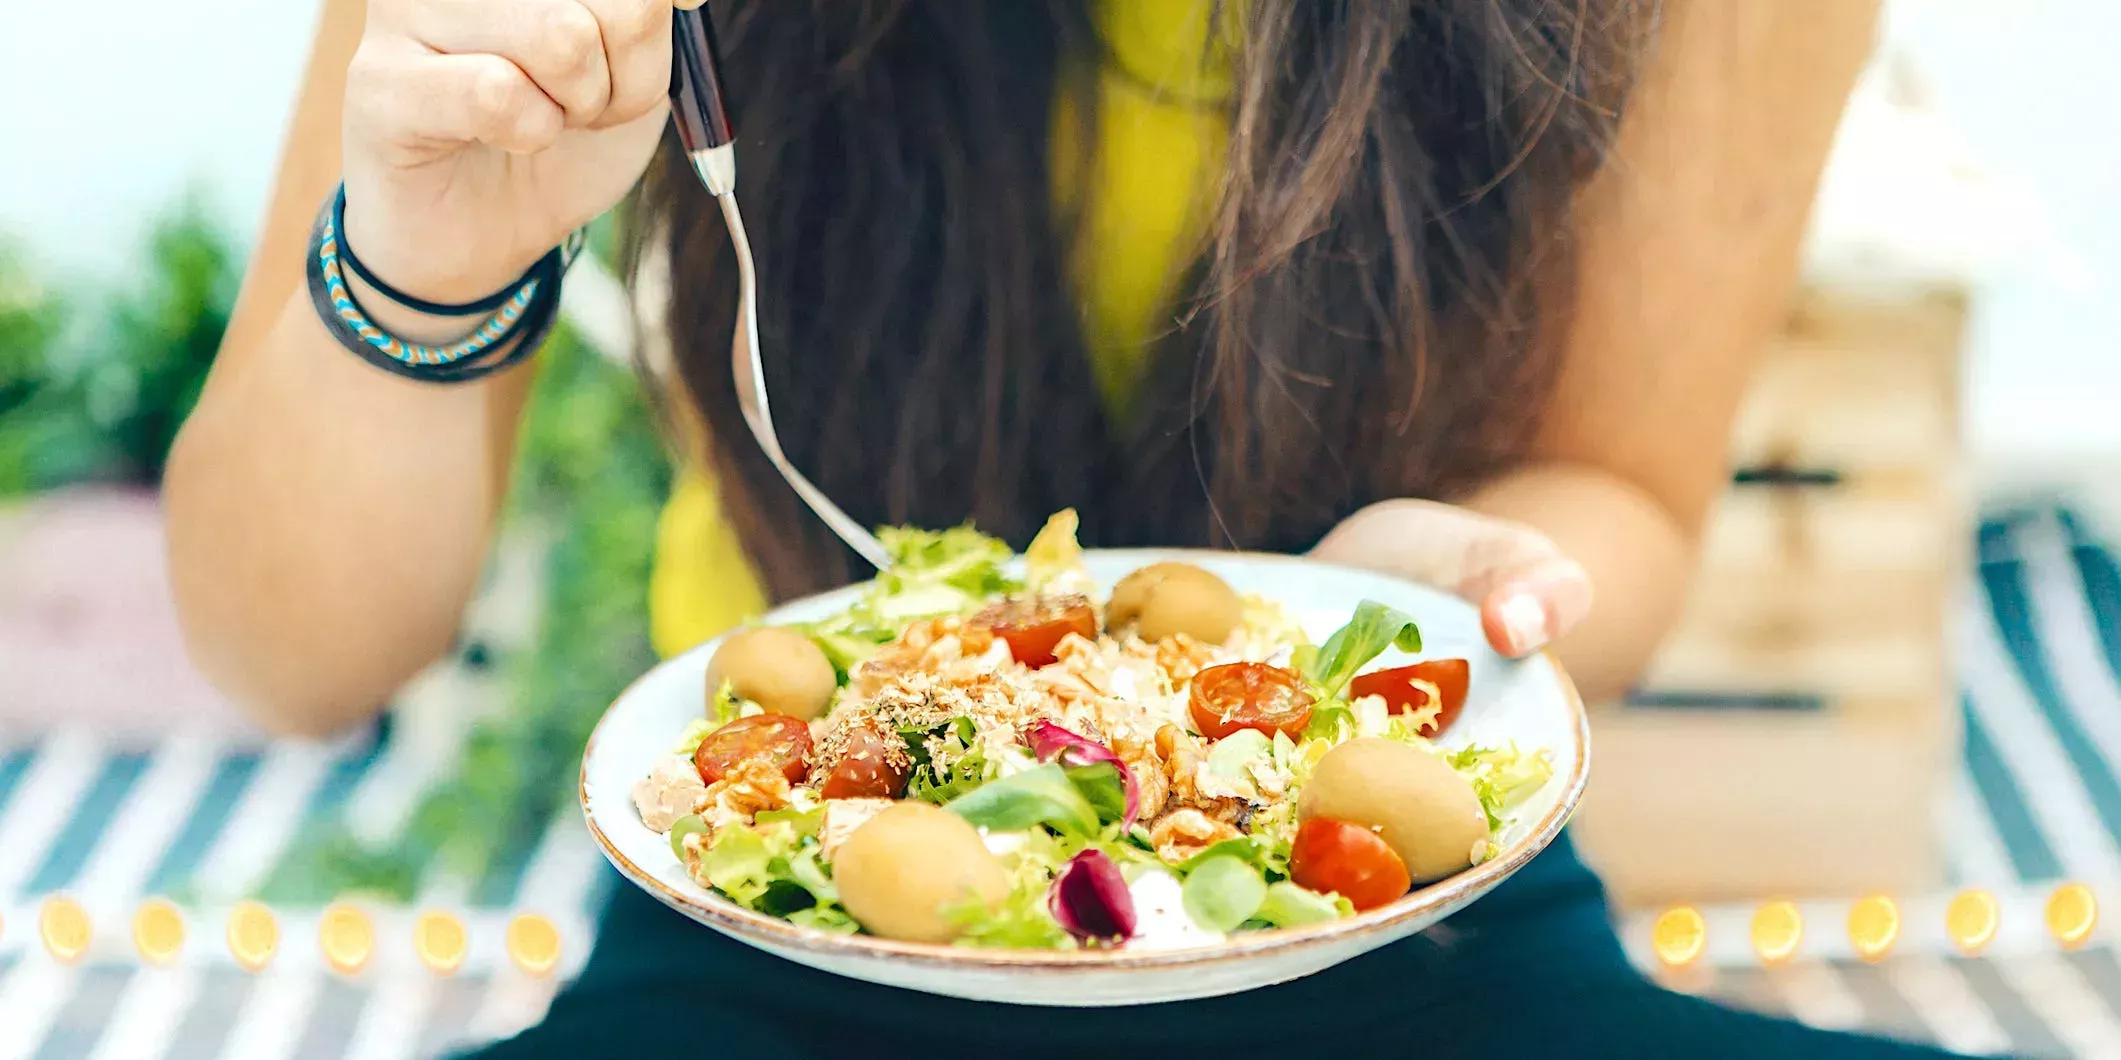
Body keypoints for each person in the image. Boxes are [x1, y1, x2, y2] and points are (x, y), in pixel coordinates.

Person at [165, 0, 1960, 1056]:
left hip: (1405, 938)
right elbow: (294, 650)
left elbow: (1619, 499)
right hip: (779, 939)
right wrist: (424, 257)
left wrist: (1442, 594)